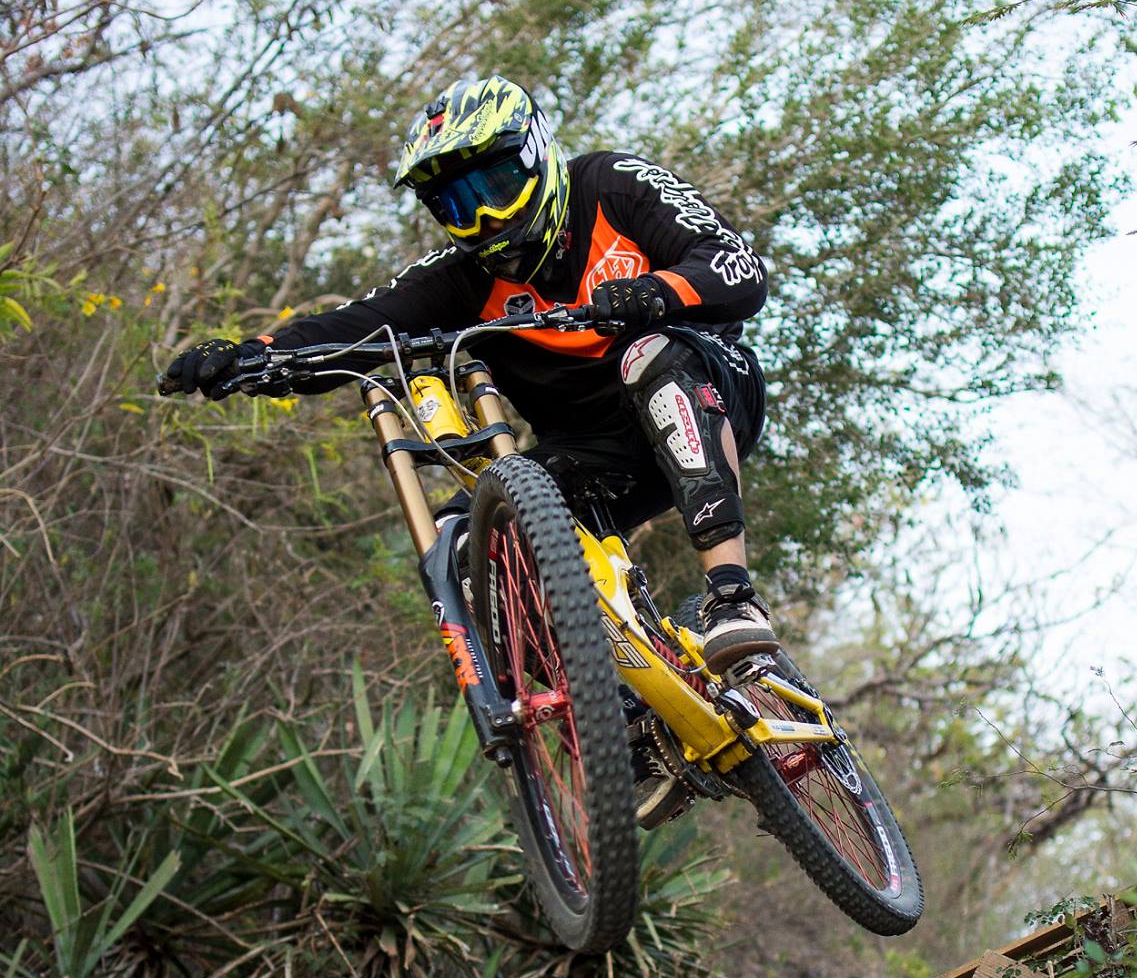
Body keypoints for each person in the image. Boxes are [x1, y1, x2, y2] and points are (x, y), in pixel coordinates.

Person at [164, 74, 776, 687]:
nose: (484, 217)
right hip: (597, 457)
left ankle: (731, 597)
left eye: (497, 187)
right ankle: (607, 704)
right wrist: (252, 356)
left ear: (537, 156)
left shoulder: (612, 184)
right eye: (458, 206)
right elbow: (354, 326)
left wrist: (653, 292)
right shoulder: (460, 279)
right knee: (463, 545)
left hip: (709, 393)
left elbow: (738, 267)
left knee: (650, 355)